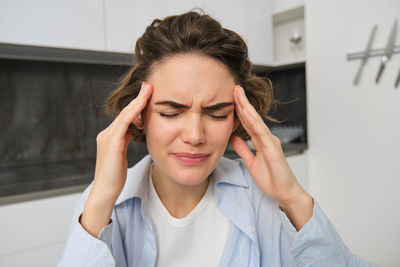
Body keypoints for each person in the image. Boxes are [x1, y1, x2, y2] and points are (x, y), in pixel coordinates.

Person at [58, 10, 376, 267]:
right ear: (139, 114)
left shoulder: (263, 202)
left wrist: (293, 197)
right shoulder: (103, 205)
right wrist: (100, 199)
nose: (195, 136)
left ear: (238, 117)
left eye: (217, 113)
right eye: (171, 112)